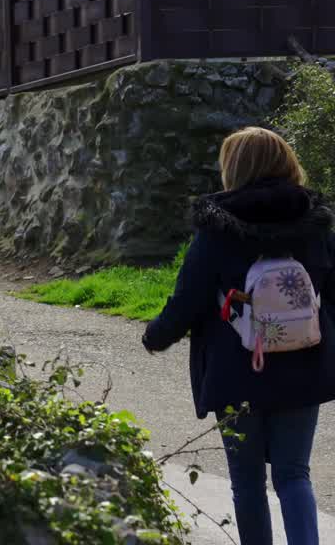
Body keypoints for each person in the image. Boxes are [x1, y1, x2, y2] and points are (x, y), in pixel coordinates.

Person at [143, 126, 335, 545]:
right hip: (304, 366)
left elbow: (187, 299)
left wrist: (156, 336)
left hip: (235, 372)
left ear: (234, 168)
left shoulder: (217, 230)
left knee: (246, 483)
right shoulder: (316, 224)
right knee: (293, 474)